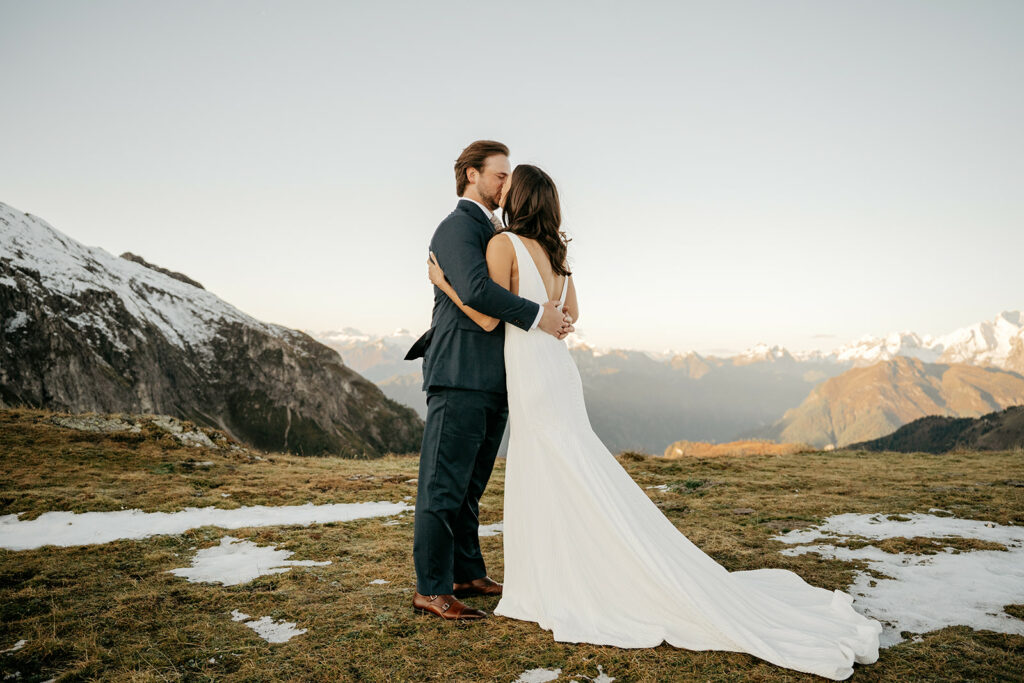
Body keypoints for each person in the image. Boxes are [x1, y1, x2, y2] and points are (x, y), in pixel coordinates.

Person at [425, 163, 883, 681]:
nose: (502, 189)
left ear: (519, 199)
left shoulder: (503, 244)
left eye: (509, 184)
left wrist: (443, 280)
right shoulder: (556, 253)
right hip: (557, 370)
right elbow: (571, 315)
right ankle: (572, 565)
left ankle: (555, 577)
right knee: (571, 463)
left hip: (530, 373)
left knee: (548, 468)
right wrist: (546, 313)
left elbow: (487, 314)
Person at [404, 141, 573, 621]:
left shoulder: (499, 232)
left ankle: (467, 573)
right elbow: (478, 292)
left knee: (470, 486)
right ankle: (431, 588)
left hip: (497, 377)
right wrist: (539, 315)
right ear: (472, 175)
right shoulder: (458, 226)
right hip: (460, 373)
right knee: (442, 486)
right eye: (500, 175)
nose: (506, 184)